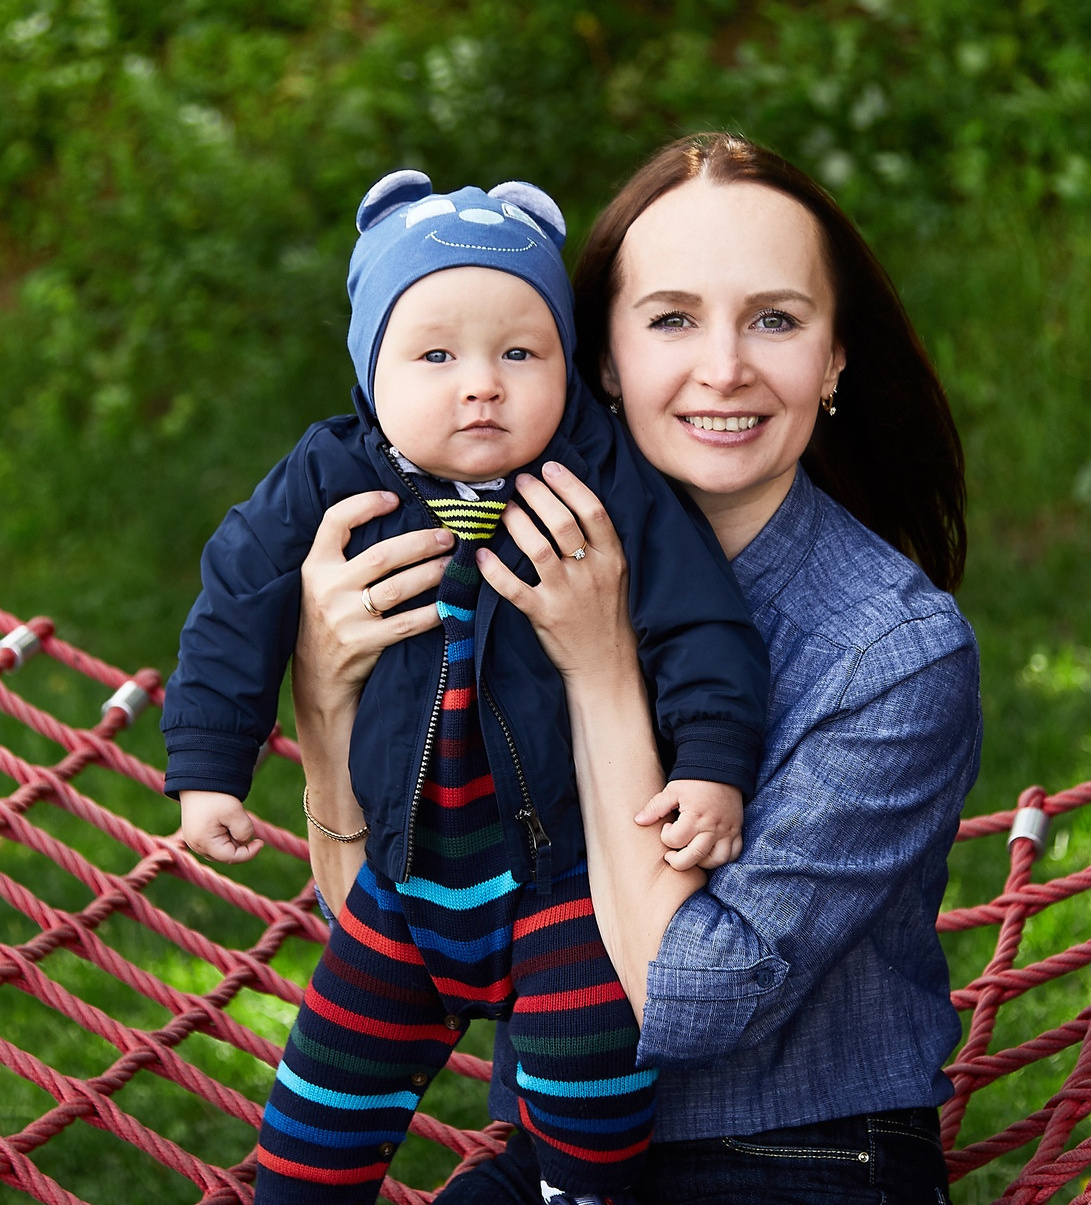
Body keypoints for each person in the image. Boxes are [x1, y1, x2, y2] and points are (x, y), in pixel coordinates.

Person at [288, 132, 982, 1204]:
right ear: (598, 358)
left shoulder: (890, 650)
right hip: (559, 1154)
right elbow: (387, 923)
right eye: (670, 319)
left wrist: (603, 668)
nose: (723, 368)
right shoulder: (481, 556)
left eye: (775, 319)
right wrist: (327, 696)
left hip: (797, 1155)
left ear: (833, 357)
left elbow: (687, 1000)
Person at [160, 170, 770, 1205]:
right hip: (401, 876)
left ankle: (580, 1191)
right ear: (371, 370)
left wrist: (712, 760)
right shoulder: (328, 478)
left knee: (589, 1084)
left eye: (517, 353)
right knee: (319, 1108)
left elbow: (696, 617)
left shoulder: (602, 476)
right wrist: (209, 771)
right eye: (435, 355)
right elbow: (235, 602)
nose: (479, 383)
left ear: (568, 367)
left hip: (564, 872)